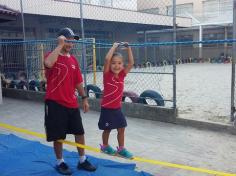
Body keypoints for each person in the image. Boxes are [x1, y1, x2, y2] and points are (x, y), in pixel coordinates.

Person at [44, 27, 96, 175]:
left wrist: (84, 98)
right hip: (55, 102)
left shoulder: (73, 60)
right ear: (61, 39)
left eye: (72, 41)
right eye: (68, 40)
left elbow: (78, 81)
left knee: (79, 132)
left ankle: (82, 160)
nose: (71, 43)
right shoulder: (51, 55)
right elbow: (48, 64)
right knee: (58, 135)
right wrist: (59, 45)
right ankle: (60, 162)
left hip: (71, 103)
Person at [98, 42, 134, 159]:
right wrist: (114, 46)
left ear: (122, 65)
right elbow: (107, 59)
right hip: (107, 109)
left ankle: (121, 149)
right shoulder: (107, 75)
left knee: (122, 128)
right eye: (114, 63)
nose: (116, 66)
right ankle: (104, 146)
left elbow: (131, 63)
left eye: (119, 63)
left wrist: (128, 48)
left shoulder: (122, 75)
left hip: (117, 109)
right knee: (107, 129)